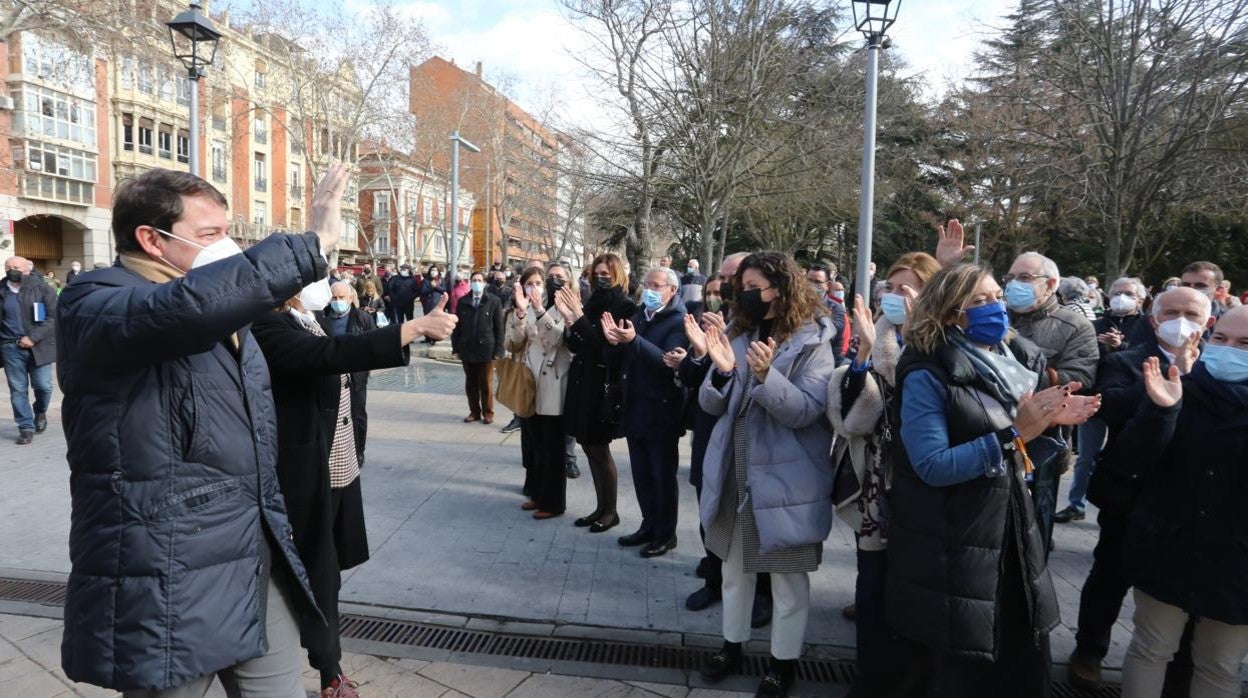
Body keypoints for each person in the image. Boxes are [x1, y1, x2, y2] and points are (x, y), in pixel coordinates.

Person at [58, 164, 350, 695]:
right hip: (168, 569)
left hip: (253, 551)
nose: (228, 247)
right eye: (211, 236)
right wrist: (310, 245)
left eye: (229, 232)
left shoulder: (215, 304)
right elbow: (181, 313)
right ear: (151, 239)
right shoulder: (98, 299)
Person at [887, 262, 1099, 697]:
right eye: (979, 301)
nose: (996, 308)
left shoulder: (1011, 361)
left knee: (1014, 657)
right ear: (951, 314)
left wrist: (1050, 428)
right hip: (953, 540)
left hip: (1006, 534)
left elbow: (1018, 462)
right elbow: (933, 464)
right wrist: (1016, 432)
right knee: (961, 668)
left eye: (997, 297)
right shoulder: (927, 371)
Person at [252, 276, 454, 698]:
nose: (325, 285)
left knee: (331, 566)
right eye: (315, 275)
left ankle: (324, 658)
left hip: (340, 460)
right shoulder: (267, 324)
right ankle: (329, 668)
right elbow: (329, 355)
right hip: (305, 470)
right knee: (317, 568)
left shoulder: (308, 317)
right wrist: (412, 328)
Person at [696, 251, 836, 697]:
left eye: (755, 288)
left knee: (787, 577)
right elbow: (710, 403)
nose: (747, 296)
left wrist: (764, 376)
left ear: (782, 287)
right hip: (736, 467)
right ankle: (732, 646)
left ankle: (782, 663)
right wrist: (721, 373)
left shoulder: (814, 339)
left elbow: (807, 412)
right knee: (735, 569)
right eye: (743, 288)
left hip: (787, 477)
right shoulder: (737, 330)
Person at [1067, 287, 1212, 692]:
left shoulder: (1219, 366)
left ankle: (1179, 664)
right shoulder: (1125, 361)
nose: (1181, 320)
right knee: (1110, 575)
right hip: (1129, 493)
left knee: (1179, 588)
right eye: (1172, 312)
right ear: (1154, 318)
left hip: (1190, 497)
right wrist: (1172, 379)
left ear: (1207, 321)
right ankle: (1089, 650)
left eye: (1191, 313)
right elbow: (1111, 407)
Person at [1117, 305, 1248, 698]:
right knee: (1150, 648)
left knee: (1221, 666)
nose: (1229, 350)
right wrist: (1162, 411)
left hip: (1237, 562)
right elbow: (1131, 460)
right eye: (1221, 339)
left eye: (1245, 344)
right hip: (1168, 543)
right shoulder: (1179, 383)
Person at [826, 250, 940, 695]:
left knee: (913, 590)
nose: (896, 297)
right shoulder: (879, 335)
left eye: (908, 288)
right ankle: (870, 676)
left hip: (924, 485)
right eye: (890, 288)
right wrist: (864, 356)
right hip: (876, 481)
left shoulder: (943, 342)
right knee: (871, 583)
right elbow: (853, 415)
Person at [680, 252, 774, 628]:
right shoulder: (719, 319)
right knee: (710, 502)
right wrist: (703, 354)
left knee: (758, 517)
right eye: (723, 277)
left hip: (758, 440)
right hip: (711, 430)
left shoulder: (765, 324)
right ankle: (715, 577)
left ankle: (763, 591)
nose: (726, 284)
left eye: (736, 278)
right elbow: (691, 376)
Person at [1004, 251, 1098, 549]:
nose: (1013, 285)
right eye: (1011, 278)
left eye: (1024, 278)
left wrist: (1009, 372)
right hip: (993, 430)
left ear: (1051, 283)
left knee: (1033, 530)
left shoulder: (1075, 326)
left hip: (1043, 439)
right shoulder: (995, 314)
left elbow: (1079, 378)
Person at [1056, 276, 1150, 524]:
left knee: (1125, 455)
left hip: (1128, 401)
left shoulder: (1146, 326)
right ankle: (1076, 504)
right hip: (1094, 398)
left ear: (1140, 299)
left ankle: (1119, 507)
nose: (1121, 297)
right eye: (1117, 292)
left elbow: (1146, 358)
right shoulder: (1095, 324)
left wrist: (1123, 346)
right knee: (1086, 456)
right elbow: (1083, 358)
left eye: (1128, 293)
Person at [608, 266, 688, 557]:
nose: (650, 290)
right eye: (647, 284)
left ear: (672, 290)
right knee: (641, 474)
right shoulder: (639, 316)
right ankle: (648, 525)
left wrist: (634, 341)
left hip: (662, 411)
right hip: (635, 406)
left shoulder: (679, 322)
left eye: (657, 285)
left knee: (662, 476)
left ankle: (666, 533)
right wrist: (615, 341)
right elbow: (626, 357)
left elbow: (668, 362)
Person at [556, 253, 637, 533]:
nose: (601, 278)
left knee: (600, 449)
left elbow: (603, 346)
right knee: (588, 446)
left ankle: (610, 510)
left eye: (606, 273)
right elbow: (579, 344)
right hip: (583, 381)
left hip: (601, 384)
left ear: (617, 275)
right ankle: (600, 507)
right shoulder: (591, 302)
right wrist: (570, 323)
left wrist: (577, 317)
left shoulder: (624, 306)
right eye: (597, 273)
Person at [508, 265, 574, 519]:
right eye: (550, 277)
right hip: (529, 382)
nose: (550, 282)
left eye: (559, 278)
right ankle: (537, 495)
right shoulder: (527, 307)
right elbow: (513, 343)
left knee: (552, 447)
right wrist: (522, 313)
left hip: (553, 383)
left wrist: (536, 310)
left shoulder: (567, 305)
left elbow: (557, 339)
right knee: (535, 444)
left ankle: (554, 503)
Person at [1, 256, 57, 444]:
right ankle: (25, 427)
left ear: (26, 269)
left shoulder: (43, 289)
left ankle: (40, 412)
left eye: (15, 266)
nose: (11, 270)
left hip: (38, 346)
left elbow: (54, 317)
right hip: (9, 346)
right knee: (17, 389)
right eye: (7, 267)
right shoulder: (2, 290)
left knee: (43, 386)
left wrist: (33, 338)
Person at [322, 282, 379, 466]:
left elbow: (373, 345)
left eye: (341, 298)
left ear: (350, 298)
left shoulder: (363, 318)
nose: (337, 301)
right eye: (334, 298)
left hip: (356, 377)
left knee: (357, 415)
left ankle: (358, 452)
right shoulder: (322, 318)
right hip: (330, 375)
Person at [452, 272, 505, 424]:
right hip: (467, 349)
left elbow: (499, 328)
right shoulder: (463, 301)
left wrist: (498, 350)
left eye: (479, 280)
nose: (477, 283)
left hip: (486, 350)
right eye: (474, 280)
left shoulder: (493, 301)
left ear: (484, 283)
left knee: (486, 384)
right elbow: (457, 326)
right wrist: (456, 347)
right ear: (470, 282)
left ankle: (488, 413)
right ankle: (474, 412)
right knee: (471, 385)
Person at [807, 263, 846, 364]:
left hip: (828, 361)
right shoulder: (797, 304)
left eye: (817, 282)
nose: (811, 285)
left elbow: (829, 334)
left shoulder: (836, 308)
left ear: (827, 285)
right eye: (809, 281)